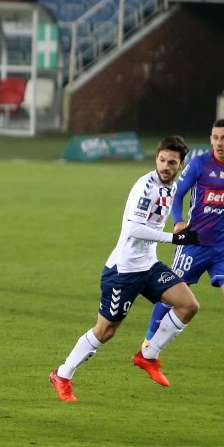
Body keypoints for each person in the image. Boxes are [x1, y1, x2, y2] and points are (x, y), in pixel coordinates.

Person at [49, 136, 201, 402]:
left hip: (149, 266)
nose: (165, 166)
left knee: (188, 305)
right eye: (162, 160)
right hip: (123, 270)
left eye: (172, 162)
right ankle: (63, 374)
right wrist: (174, 238)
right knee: (105, 331)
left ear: (180, 164)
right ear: (156, 158)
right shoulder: (146, 187)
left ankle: (148, 356)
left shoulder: (173, 187)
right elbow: (132, 228)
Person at [142, 120, 224, 369]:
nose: (218, 142)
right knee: (170, 297)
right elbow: (178, 193)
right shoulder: (200, 165)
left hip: (223, 245)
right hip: (194, 243)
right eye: (214, 137)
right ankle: (149, 341)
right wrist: (179, 222)